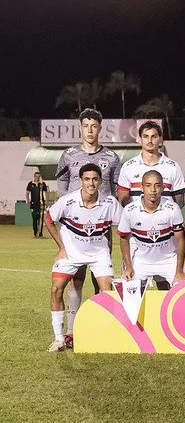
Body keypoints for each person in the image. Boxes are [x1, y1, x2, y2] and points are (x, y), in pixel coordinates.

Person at [54, 108, 121, 347]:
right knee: (76, 278)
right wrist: (68, 203)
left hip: (101, 226)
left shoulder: (112, 158)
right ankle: (71, 332)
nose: (90, 130)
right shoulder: (69, 154)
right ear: (80, 128)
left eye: (94, 126)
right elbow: (61, 180)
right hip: (75, 226)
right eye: (86, 126)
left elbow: (116, 187)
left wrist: (108, 206)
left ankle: (100, 329)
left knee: (101, 277)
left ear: (100, 128)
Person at [44, 163, 121, 351]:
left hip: (98, 253)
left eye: (95, 179)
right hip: (71, 253)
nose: (91, 183)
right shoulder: (68, 201)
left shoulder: (109, 202)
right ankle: (59, 338)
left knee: (106, 291)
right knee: (56, 289)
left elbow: (125, 226)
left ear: (100, 181)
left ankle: (102, 334)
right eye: (87, 179)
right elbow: (48, 219)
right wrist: (62, 247)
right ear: (80, 181)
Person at [118, 170, 185, 289]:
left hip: (168, 260)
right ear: (141, 188)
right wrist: (128, 267)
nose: (153, 190)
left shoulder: (173, 209)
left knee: (183, 289)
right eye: (148, 185)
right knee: (128, 291)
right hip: (141, 260)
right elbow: (124, 239)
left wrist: (179, 270)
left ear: (163, 188)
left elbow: (181, 240)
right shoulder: (130, 210)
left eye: (157, 185)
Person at [117, 121, 185, 207]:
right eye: (145, 136)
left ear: (160, 139)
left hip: (164, 219)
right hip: (137, 219)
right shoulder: (128, 167)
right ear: (140, 139)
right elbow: (123, 199)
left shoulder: (173, 166)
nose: (150, 141)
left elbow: (179, 202)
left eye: (154, 136)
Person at [26, 172, 48, 237]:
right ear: (34, 176)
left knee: (41, 218)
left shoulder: (42, 184)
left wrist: (46, 201)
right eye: (36, 176)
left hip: (41, 204)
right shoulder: (30, 184)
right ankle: (35, 232)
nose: (37, 178)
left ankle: (40, 233)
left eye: (38, 176)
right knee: (34, 217)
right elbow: (27, 193)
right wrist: (28, 201)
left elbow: (46, 192)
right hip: (33, 204)